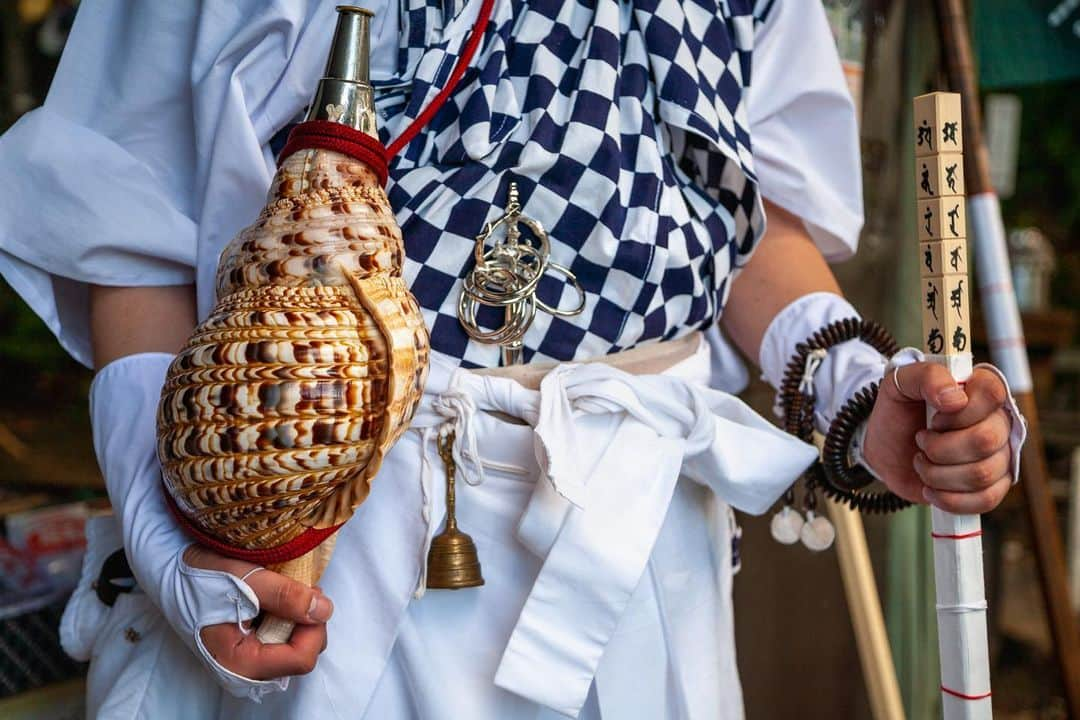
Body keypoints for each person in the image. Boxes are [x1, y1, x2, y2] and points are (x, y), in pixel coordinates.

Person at [0, 1, 1025, 718]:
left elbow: (742, 216)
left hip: (646, 534)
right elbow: (128, 217)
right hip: (328, 523)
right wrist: (175, 521)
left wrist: (851, 387)